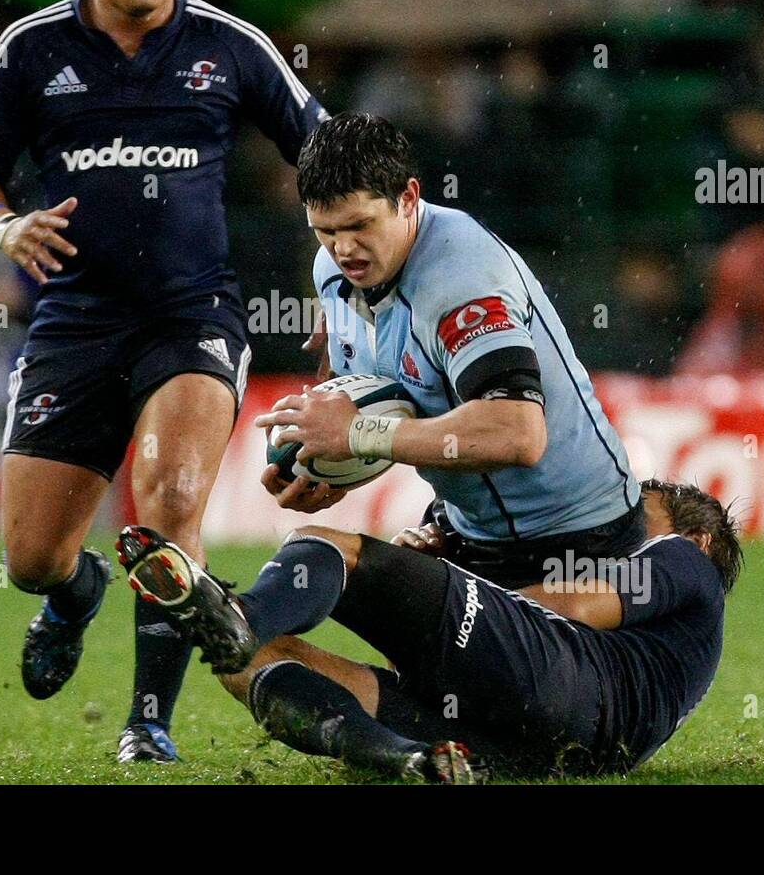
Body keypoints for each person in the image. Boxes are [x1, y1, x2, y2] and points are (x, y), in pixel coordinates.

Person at [0, 0, 327, 763]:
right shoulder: (32, 48)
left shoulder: (230, 46)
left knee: (170, 505)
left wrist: (338, 268)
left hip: (191, 318)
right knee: (33, 556)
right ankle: (75, 595)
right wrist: (3, 223)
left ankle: (147, 721)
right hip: (74, 322)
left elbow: (323, 147)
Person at [114, 478, 742, 782]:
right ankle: (403, 756)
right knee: (245, 662)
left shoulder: (689, 559)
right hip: (556, 753)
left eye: (634, 523)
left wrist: (437, 578)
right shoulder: (682, 652)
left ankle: (240, 615)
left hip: (563, 680)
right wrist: (444, 579)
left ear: (697, 535)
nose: (617, 533)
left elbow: (576, 605)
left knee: (326, 545)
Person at [258, 112, 644, 588]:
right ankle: (235, 639)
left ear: (408, 199)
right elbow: (397, 411)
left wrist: (356, 434)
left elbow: (518, 433)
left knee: (347, 584)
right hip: (467, 530)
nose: (343, 249)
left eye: (359, 224)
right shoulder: (336, 272)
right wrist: (333, 469)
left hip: (579, 542)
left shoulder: (462, 281)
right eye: (325, 230)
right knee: (311, 559)